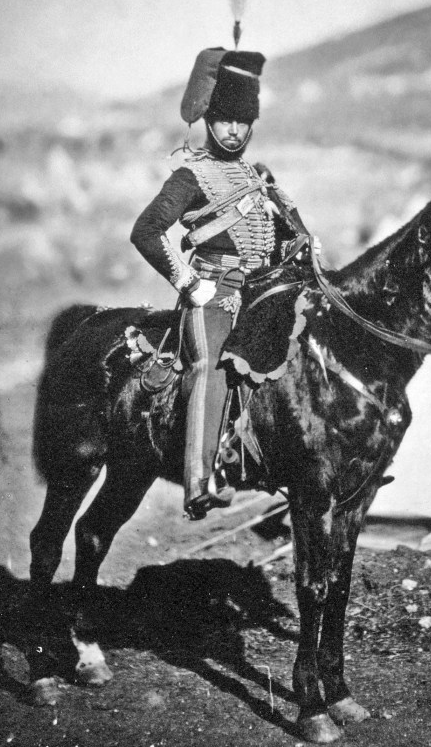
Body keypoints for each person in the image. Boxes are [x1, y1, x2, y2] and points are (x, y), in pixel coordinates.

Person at [130, 47, 308, 520]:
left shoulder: (258, 178)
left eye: (242, 121)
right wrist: (188, 282)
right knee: (209, 367)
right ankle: (199, 481)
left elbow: (294, 238)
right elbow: (145, 231)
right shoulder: (192, 175)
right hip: (210, 295)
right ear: (209, 120)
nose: (233, 129)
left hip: (257, 298)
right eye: (225, 119)